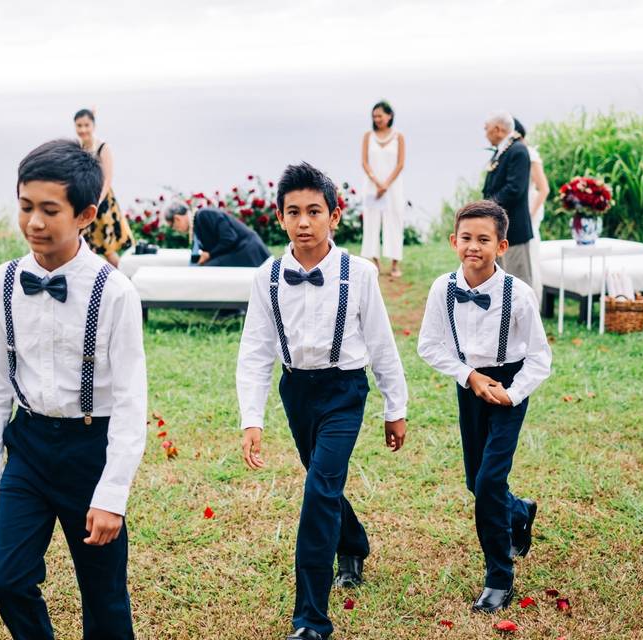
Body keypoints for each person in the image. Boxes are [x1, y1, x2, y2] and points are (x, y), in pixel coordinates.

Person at [0, 140, 147, 639]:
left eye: (50, 210)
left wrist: (113, 494)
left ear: (86, 214)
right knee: (9, 582)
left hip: (90, 450)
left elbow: (133, 401)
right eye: (26, 207)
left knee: (103, 594)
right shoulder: (1, 283)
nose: (34, 223)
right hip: (26, 448)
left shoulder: (114, 293)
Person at [236, 162, 408, 640]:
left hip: (344, 391)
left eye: (315, 211)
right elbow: (254, 350)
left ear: (335, 215)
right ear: (280, 217)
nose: (305, 222)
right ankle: (352, 542)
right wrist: (252, 418)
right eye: (294, 212)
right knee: (323, 480)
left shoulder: (361, 273)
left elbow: (381, 344)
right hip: (297, 392)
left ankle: (311, 619)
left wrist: (396, 407)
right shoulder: (267, 277)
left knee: (317, 494)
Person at [417, 200, 551, 614]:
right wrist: (469, 377)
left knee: (490, 481)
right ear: (454, 241)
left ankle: (498, 577)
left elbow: (540, 356)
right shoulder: (443, 288)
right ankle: (519, 510)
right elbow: (429, 345)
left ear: (502, 245)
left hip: (510, 389)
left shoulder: (519, 294)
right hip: (470, 384)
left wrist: (513, 392)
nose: (473, 246)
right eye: (466, 238)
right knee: (477, 482)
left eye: (484, 240)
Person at [74, 108, 133, 269]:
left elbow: (107, 179)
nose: (83, 129)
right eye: (79, 125)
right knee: (85, 249)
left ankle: (125, 281)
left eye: (87, 125)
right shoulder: (76, 146)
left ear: (93, 125)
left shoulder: (103, 148)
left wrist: (97, 201)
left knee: (108, 251)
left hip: (102, 203)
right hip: (84, 202)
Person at [481, 110, 532, 287]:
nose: (485, 133)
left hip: (515, 228)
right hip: (501, 227)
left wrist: (487, 206)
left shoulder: (518, 151)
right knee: (501, 280)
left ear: (497, 129)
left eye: (486, 128)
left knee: (519, 280)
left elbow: (514, 189)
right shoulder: (504, 150)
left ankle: (522, 315)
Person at [360, 100, 406, 278]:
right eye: (374, 116)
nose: (377, 119)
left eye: (380, 115)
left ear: (389, 115)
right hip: (372, 187)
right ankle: (375, 262)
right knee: (371, 221)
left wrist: (386, 184)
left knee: (394, 220)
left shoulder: (398, 137)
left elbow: (400, 163)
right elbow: (364, 162)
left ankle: (395, 264)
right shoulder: (368, 136)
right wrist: (377, 182)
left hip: (393, 187)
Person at [164, 202, 271, 267]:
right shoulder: (197, 222)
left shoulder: (204, 214)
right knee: (204, 267)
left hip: (249, 251)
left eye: (174, 227)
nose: (177, 230)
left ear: (177, 219)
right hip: (239, 250)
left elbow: (229, 238)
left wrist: (209, 255)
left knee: (208, 269)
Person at [514, 118, 550, 301]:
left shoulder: (529, 154)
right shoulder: (507, 154)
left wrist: (530, 214)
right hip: (517, 210)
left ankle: (533, 300)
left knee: (530, 255)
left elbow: (543, 189)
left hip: (528, 209)